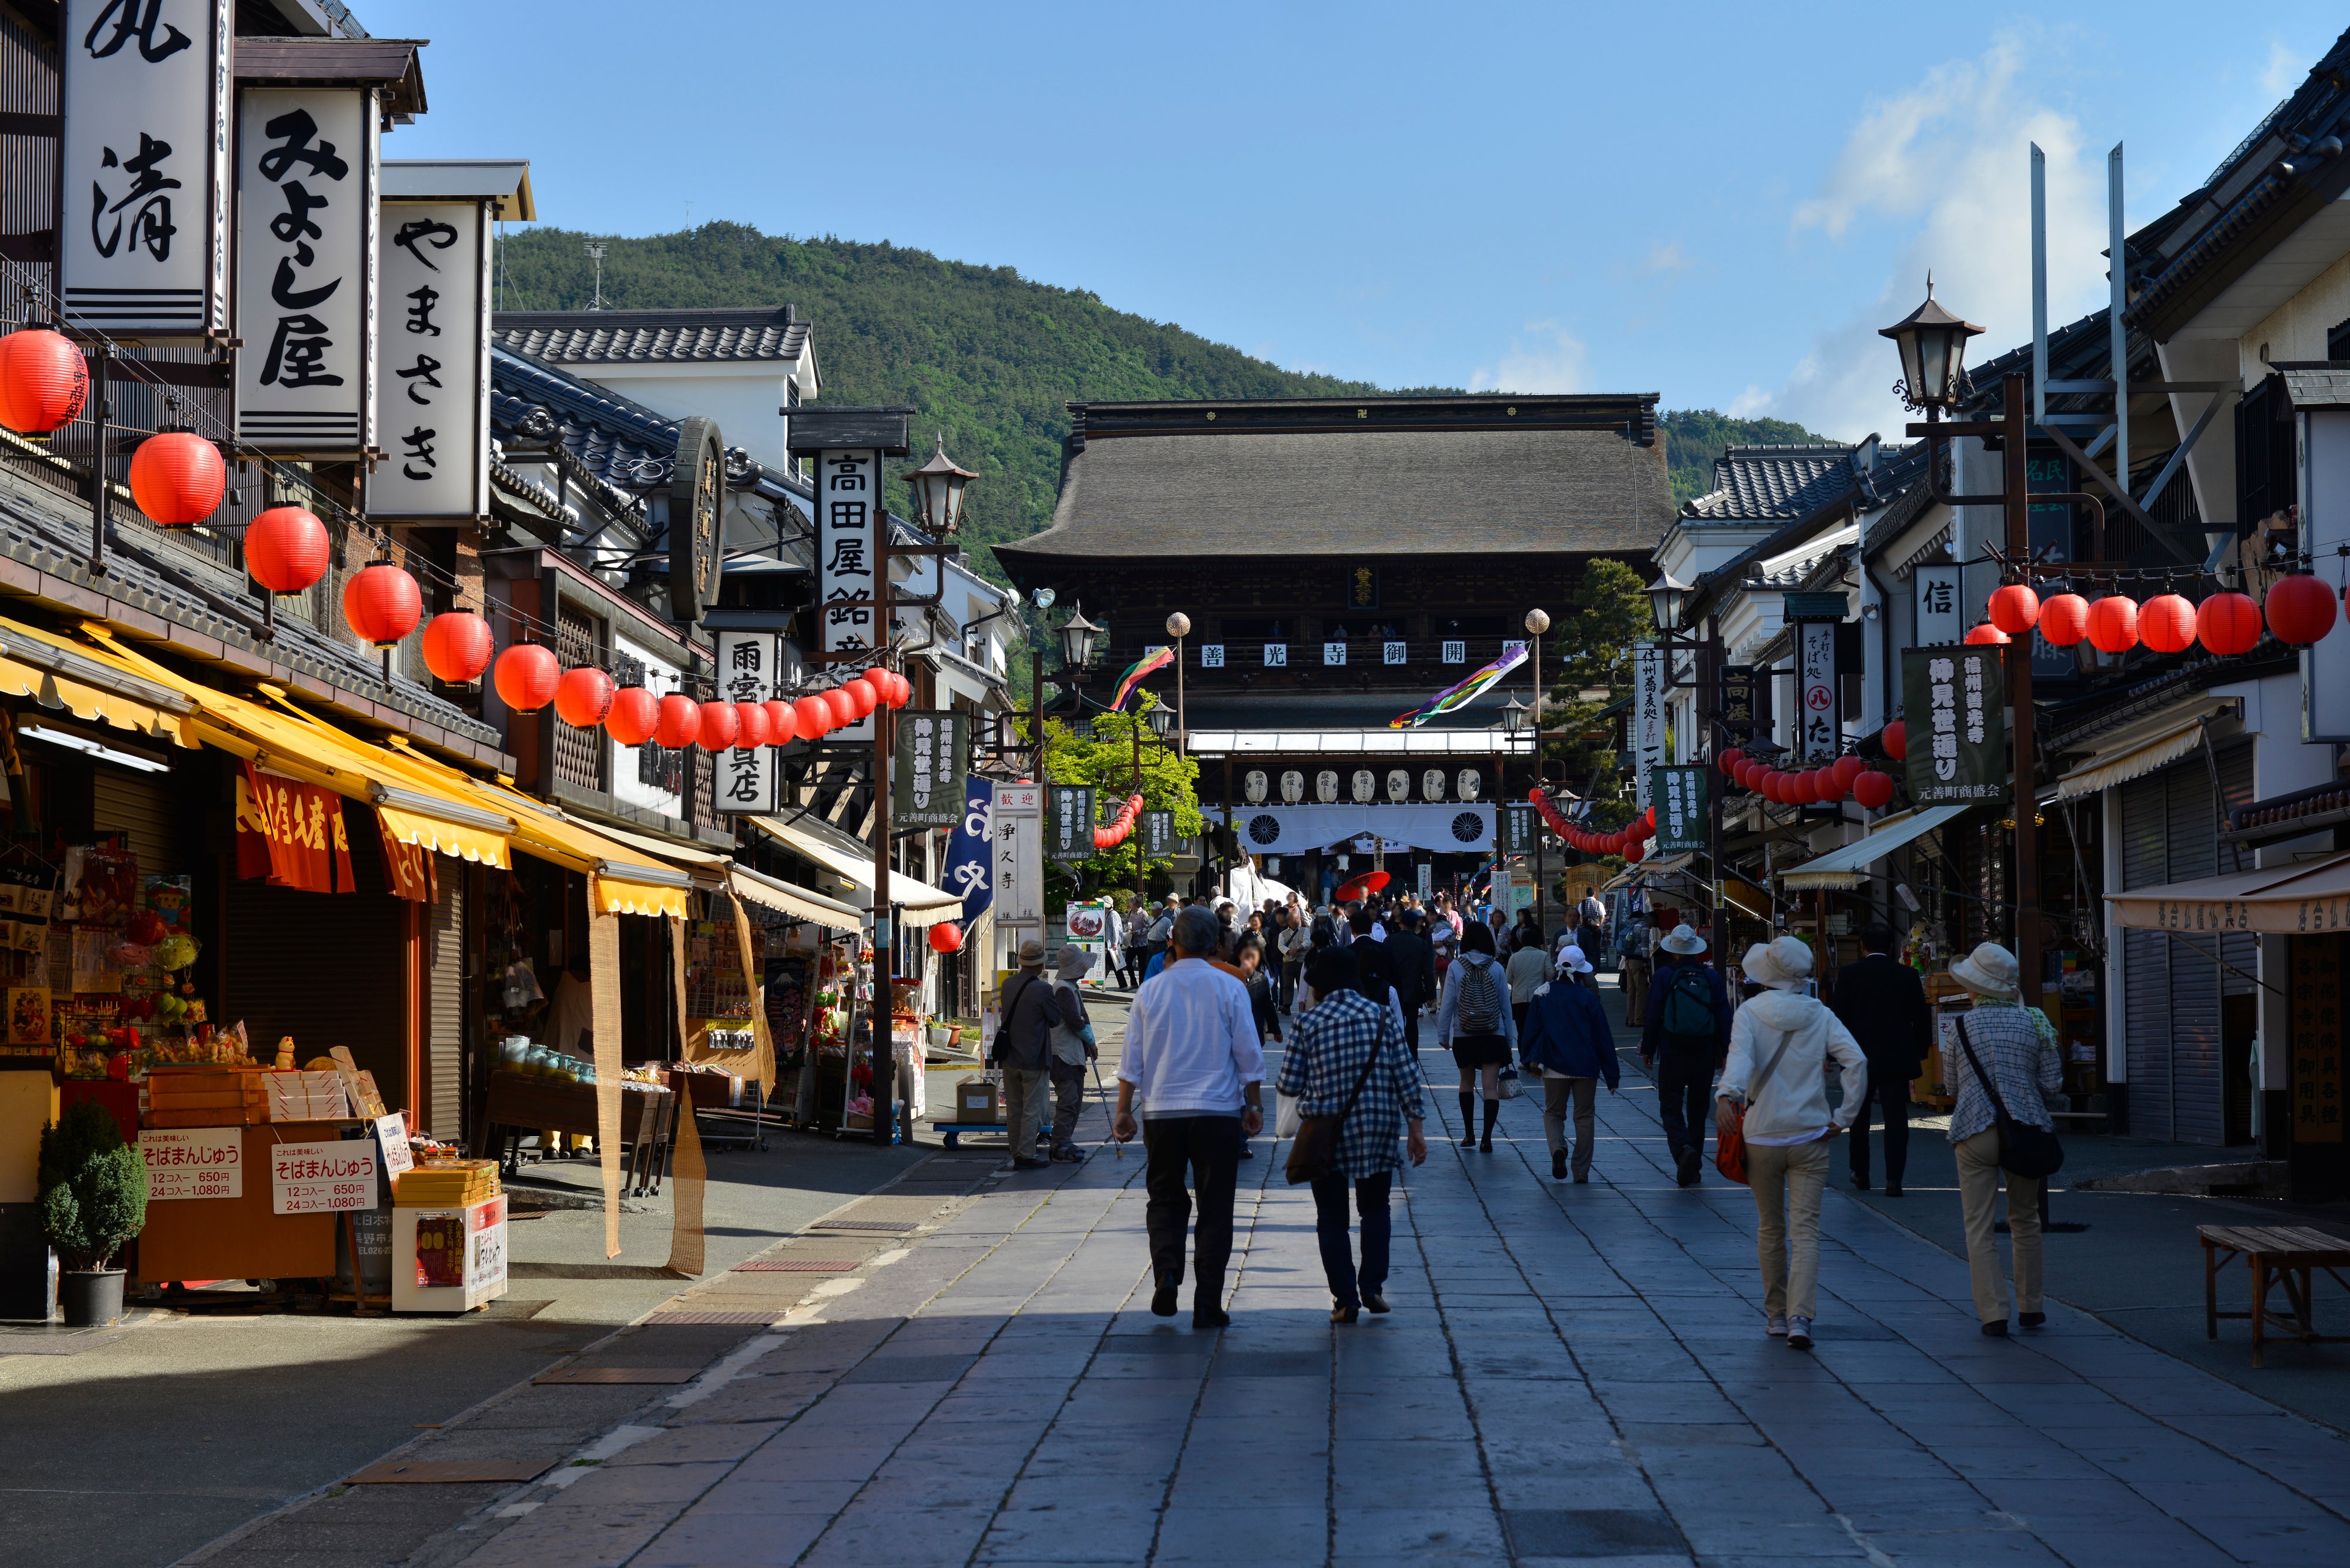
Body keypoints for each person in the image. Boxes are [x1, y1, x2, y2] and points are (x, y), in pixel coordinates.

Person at [1113, 906, 1264, 1329]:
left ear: (1171, 942)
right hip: (1217, 1111)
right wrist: (1253, 1104)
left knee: (1164, 1196)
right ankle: (1208, 1302)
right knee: (1216, 1206)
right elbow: (1248, 1054)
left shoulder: (1151, 991)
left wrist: (1124, 1110)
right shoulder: (1230, 987)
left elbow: (1132, 1059)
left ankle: (1167, 1272)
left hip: (1162, 1110)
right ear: (1216, 943)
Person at [1714, 937, 1867, 1351]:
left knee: (1770, 1226)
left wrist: (1727, 1093)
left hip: (1762, 1132)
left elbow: (1741, 1060)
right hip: (1812, 1132)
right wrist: (1844, 1117)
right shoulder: (1820, 1013)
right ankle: (1801, 1316)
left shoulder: (1749, 1012)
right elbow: (1856, 1060)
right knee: (1806, 1230)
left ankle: (1776, 1314)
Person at [1279, 947, 1430, 1322]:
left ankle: (1346, 1298)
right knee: (1375, 1208)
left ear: (1321, 986)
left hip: (1325, 1129)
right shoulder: (1380, 1017)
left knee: (1331, 1216)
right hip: (1378, 1124)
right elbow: (1406, 1073)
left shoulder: (1307, 1023)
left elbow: (1290, 1082)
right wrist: (1416, 1128)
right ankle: (1373, 1286)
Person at [1941, 942, 2063, 1338]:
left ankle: (1993, 1313)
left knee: (1978, 1225)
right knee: (2026, 1218)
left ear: (1976, 988)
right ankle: (2032, 1306)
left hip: (1974, 1128)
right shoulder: (2036, 1021)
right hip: (2025, 1127)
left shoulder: (1959, 1026)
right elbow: (2052, 1084)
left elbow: (1952, 1086)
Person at [1831, 920, 1932, 1195]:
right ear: (1891, 946)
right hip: (1897, 1056)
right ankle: (1894, 1180)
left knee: (1859, 1115)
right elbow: (1921, 1020)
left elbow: (1838, 1018)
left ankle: (1861, 1173)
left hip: (1857, 1056)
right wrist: (1921, 1050)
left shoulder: (1850, 974)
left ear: (1862, 946)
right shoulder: (1907, 976)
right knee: (1896, 1118)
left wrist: (1835, 1053)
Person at [1520, 946, 1620, 1181]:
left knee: (1554, 1113)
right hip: (1586, 1066)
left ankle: (1557, 1148)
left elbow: (1530, 1031)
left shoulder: (1543, 994)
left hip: (1554, 1065)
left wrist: (1528, 1058)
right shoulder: (1589, 999)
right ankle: (1581, 1170)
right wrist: (1612, 1076)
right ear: (1582, 972)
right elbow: (1603, 1038)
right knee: (1584, 1117)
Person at [1642, 924, 1731, 1186]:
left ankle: (1683, 1151)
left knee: (1670, 1106)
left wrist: (1648, 1049)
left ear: (1674, 952)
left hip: (1673, 1050)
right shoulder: (1712, 977)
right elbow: (1723, 1016)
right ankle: (1695, 1164)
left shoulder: (1664, 975)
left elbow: (1653, 1014)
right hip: (1704, 1051)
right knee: (1698, 1108)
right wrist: (1725, 1052)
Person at [1435, 921, 1517, 1151]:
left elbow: (1448, 1002)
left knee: (1466, 1083)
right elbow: (1505, 1007)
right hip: (1493, 1033)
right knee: (1490, 1087)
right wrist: (1508, 1040)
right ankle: (1487, 1138)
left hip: (1464, 1032)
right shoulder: (1497, 968)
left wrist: (1444, 1034)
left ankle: (1469, 1134)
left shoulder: (1455, 967)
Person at [993, 940, 1067, 1172]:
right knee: (1033, 1108)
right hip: (1034, 1057)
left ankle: (1016, 1151)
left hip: (1010, 1055)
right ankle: (1026, 1154)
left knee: (1014, 1109)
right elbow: (1055, 1019)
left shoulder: (1008, 984)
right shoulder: (1043, 989)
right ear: (1041, 964)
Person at [1046, 945, 1099, 1161]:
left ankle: (1065, 1140)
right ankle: (1059, 1143)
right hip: (1063, 1054)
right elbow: (1076, 1021)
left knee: (1075, 1100)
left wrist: (1090, 1039)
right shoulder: (1063, 989)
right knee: (1068, 1100)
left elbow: (1083, 1017)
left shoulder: (1071, 988)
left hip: (1073, 1053)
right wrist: (1092, 1043)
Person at [1385, 909, 1435, 1049]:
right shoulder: (1421, 943)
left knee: (1393, 1022)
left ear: (1400, 923)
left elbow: (1385, 966)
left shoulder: (1389, 941)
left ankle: (1395, 1053)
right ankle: (1412, 1056)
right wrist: (1431, 994)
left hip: (1393, 989)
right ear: (1415, 925)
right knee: (1412, 1024)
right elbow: (1428, 970)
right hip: (1414, 989)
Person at [1504, 926, 1551, 1049]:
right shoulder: (1544, 955)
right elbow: (1551, 975)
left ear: (1522, 941)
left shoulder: (1514, 957)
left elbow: (1509, 978)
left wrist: (1518, 984)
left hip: (1519, 999)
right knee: (1537, 1029)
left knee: (1522, 1031)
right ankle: (1535, 1058)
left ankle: (1524, 1059)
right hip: (1538, 998)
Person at [1620, 916, 1654, 1029]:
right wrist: (1646, 963)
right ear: (1650, 919)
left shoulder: (1632, 925)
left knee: (1631, 991)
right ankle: (1639, 1019)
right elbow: (1644, 945)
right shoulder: (1644, 926)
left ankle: (1630, 1019)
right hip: (1638, 961)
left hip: (1628, 961)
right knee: (1641, 990)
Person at [1277, 906, 1312, 1014]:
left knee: (1302, 984)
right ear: (1288, 921)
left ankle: (1303, 1005)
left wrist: (1298, 949)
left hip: (1302, 961)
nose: (1297, 921)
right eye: (1294, 919)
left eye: (1298, 919)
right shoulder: (1283, 934)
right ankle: (1287, 1006)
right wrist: (1289, 951)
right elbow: (1280, 946)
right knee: (1287, 985)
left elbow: (1308, 942)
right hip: (1288, 961)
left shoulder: (1305, 930)